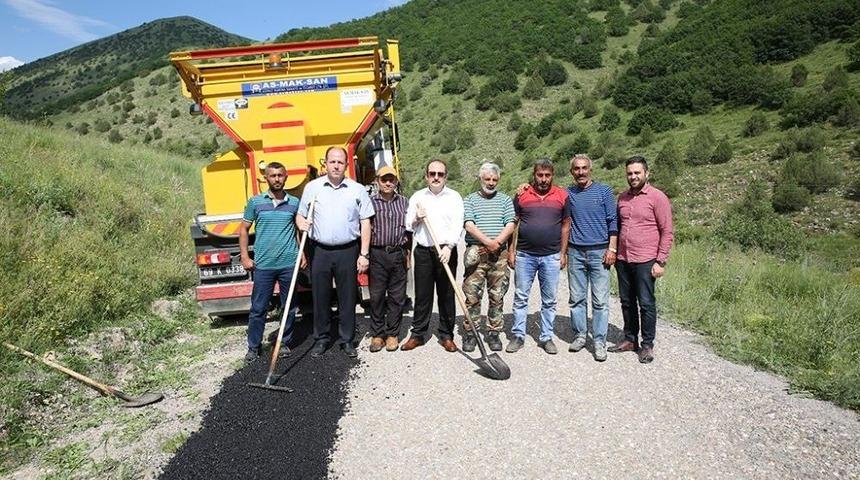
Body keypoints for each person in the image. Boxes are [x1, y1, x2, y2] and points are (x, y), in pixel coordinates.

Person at [297, 147, 374, 358]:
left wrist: (364, 254)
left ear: (346, 165)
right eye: (332, 162)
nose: (336, 166)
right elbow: (300, 215)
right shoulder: (313, 188)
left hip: (348, 250)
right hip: (319, 250)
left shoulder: (357, 189)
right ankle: (321, 339)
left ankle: (347, 340)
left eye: (340, 162)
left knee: (347, 297)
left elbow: (365, 222)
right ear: (325, 163)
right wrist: (301, 223)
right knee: (320, 296)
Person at [238, 162, 304, 363]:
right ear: (266, 178)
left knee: (289, 307)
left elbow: (298, 230)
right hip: (264, 265)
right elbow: (243, 230)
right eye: (273, 175)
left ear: (286, 177)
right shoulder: (255, 202)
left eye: (280, 175)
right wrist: (245, 256)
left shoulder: (294, 202)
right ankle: (254, 347)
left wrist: (303, 254)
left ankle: (283, 343)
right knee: (258, 308)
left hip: (289, 263)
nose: (277, 179)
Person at [611, 155, 674, 364]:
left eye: (637, 172)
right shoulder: (622, 198)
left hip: (646, 259)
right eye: (629, 173)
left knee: (646, 303)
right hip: (623, 258)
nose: (633, 176)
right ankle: (630, 339)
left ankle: (647, 344)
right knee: (627, 301)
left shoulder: (657, 197)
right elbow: (617, 227)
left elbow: (667, 231)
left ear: (647, 173)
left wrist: (661, 261)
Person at [507, 159, 571, 355]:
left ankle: (546, 337)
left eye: (547, 175)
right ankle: (518, 335)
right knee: (520, 297)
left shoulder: (562, 195)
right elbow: (513, 224)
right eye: (539, 175)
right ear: (534, 175)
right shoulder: (522, 195)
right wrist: (511, 250)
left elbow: (566, 226)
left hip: (551, 256)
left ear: (552, 175)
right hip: (525, 255)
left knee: (549, 299)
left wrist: (563, 253)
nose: (543, 179)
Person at [402, 159, 464, 353]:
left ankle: (446, 335)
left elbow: (458, 223)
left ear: (445, 176)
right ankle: (418, 334)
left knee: (446, 294)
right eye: (432, 174)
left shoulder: (454, 197)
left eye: (440, 174)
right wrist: (417, 218)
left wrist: (450, 247)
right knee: (423, 295)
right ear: (426, 176)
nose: (436, 177)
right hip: (423, 252)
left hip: (446, 251)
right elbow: (407, 225)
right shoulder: (418, 198)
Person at [565, 154, 618, 362]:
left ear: (590, 170)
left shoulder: (604, 191)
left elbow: (612, 221)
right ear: (572, 172)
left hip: (599, 252)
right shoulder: (567, 193)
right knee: (577, 298)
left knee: (600, 300)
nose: (580, 172)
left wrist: (612, 249)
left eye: (584, 168)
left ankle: (599, 341)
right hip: (575, 252)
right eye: (576, 169)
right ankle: (579, 335)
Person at [461, 162, 515, 352]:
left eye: (494, 179)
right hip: (476, 253)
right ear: (480, 179)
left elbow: (510, 224)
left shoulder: (506, 200)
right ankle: (471, 334)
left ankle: (494, 333)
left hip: (499, 255)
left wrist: (497, 243)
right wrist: (487, 242)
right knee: (472, 295)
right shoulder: (469, 200)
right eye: (487, 179)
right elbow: (469, 224)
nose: (491, 182)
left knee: (497, 296)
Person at [367, 166, 411, 352]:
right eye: (384, 179)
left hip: (398, 253)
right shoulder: (369, 202)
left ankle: (392, 334)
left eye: (391, 179)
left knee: (397, 297)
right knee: (376, 297)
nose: (387, 183)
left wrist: (408, 254)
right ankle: (377, 334)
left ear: (396, 181)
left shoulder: (404, 202)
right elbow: (364, 228)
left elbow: (409, 231)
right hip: (377, 253)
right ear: (377, 181)